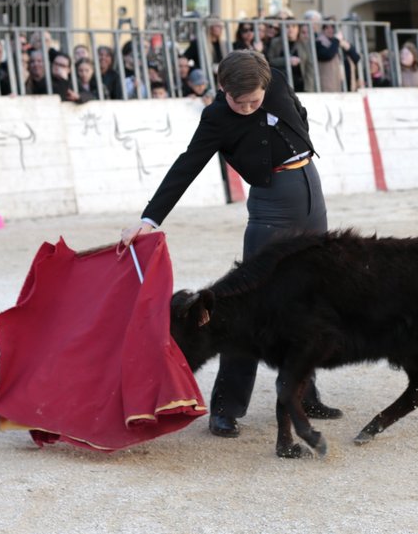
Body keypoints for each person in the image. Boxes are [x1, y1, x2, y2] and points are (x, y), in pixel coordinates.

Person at [119, 50, 339, 439]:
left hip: (311, 192)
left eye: (256, 99)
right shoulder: (217, 118)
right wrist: (149, 219)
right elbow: (186, 166)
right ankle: (225, 408)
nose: (251, 106)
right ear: (223, 89)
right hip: (271, 209)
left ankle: (303, 393)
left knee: (309, 302)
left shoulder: (273, 79)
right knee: (248, 308)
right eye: (243, 103)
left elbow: (298, 112)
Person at [265, 19, 309, 92]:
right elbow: (270, 60)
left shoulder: (304, 43)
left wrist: (309, 88)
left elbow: (310, 66)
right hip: (281, 83)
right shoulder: (276, 42)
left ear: (298, 29)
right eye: (287, 26)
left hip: (300, 84)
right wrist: (287, 60)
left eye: (294, 26)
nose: (290, 29)